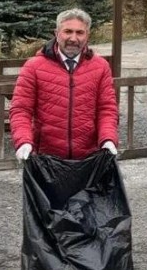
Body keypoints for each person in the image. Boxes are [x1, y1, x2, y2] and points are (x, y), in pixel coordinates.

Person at [11, 8, 118, 161]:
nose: (73, 38)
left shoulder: (100, 67)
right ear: (57, 33)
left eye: (79, 33)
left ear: (87, 35)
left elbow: (106, 108)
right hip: (46, 158)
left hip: (89, 158)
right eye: (68, 31)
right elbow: (21, 109)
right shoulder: (33, 67)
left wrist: (107, 139)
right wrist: (23, 141)